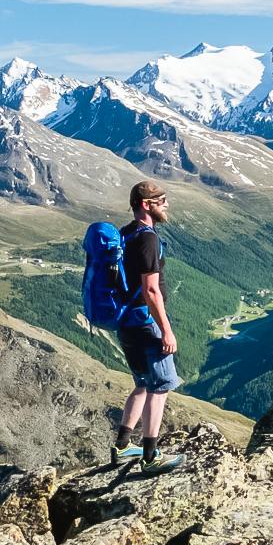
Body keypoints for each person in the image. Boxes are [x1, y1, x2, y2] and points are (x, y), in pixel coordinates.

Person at [112, 180, 184, 473]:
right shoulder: (148, 238)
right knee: (161, 386)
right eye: (162, 200)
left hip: (126, 322)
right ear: (146, 204)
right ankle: (151, 456)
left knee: (142, 383)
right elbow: (151, 290)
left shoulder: (126, 233)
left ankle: (122, 447)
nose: (167, 205)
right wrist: (166, 329)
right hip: (145, 323)